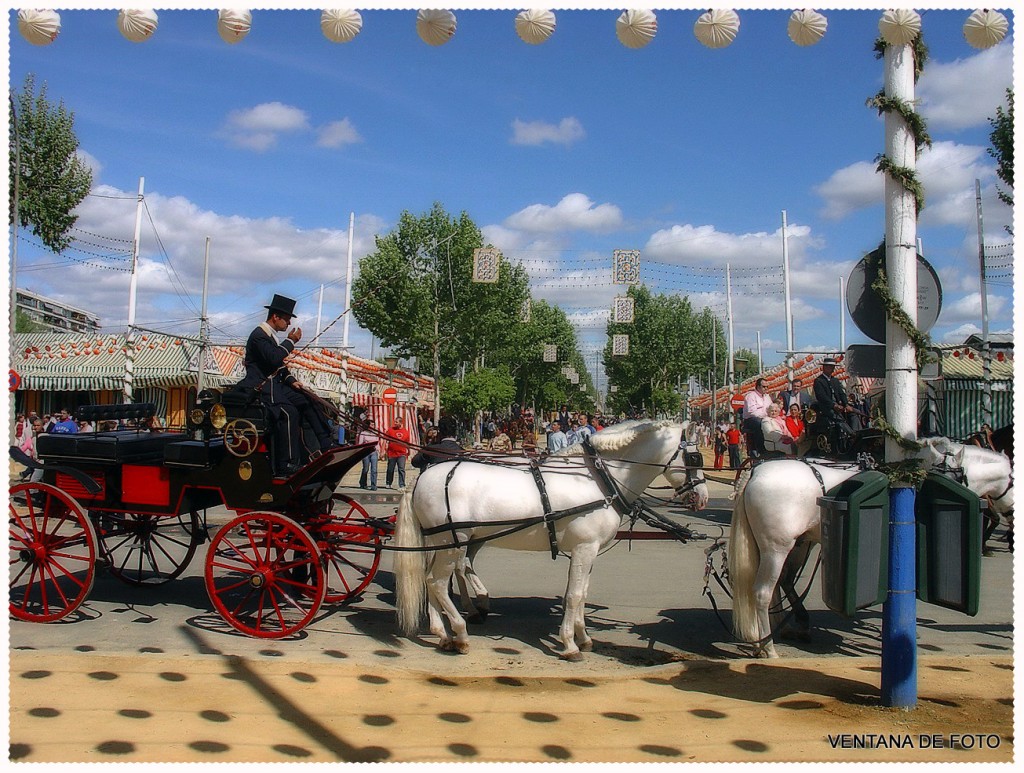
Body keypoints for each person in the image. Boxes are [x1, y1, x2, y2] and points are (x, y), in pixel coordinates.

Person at [236, 294, 335, 476]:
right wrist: (291, 341)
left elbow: (279, 366)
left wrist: (293, 381)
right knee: (289, 413)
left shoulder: (269, 337)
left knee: (307, 399)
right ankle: (287, 463)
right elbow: (274, 357)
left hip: (276, 385)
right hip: (261, 386)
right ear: (276, 317)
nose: (288, 324)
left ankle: (325, 441)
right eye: (287, 320)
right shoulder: (258, 336)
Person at [812, 356, 854, 441]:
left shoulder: (835, 380)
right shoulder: (818, 381)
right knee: (837, 418)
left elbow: (842, 393)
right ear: (823, 367)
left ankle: (857, 431)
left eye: (832, 367)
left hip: (839, 405)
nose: (830, 368)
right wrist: (833, 405)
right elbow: (821, 396)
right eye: (828, 366)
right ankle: (851, 435)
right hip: (826, 408)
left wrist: (846, 404)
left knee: (854, 414)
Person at [741, 378, 773, 457]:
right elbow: (752, 412)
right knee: (760, 423)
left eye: (767, 387)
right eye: (764, 386)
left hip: (765, 418)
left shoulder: (767, 397)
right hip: (751, 420)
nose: (766, 388)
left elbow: (771, 408)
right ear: (758, 387)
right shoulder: (751, 396)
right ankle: (761, 449)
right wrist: (765, 417)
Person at [384, 417, 411, 489]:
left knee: (401, 468)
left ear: (401, 423)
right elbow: (386, 440)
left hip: (402, 453)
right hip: (392, 453)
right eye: (395, 422)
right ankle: (388, 482)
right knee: (390, 469)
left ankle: (402, 484)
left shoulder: (405, 431)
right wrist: (384, 449)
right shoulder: (390, 430)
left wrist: (409, 450)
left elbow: (407, 443)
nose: (395, 423)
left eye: (396, 422)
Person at [355, 418, 379, 490]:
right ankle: (363, 483)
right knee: (366, 469)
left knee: (374, 469)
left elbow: (377, 443)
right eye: (371, 424)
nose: (372, 426)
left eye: (373, 425)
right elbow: (360, 443)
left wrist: (379, 451)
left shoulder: (375, 433)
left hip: (374, 452)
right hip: (366, 452)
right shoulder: (363, 433)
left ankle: (373, 485)